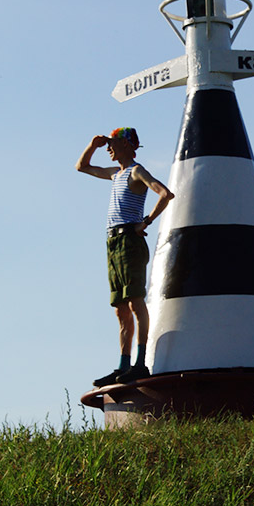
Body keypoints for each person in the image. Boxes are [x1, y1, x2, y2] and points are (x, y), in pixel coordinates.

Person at [76, 127, 174, 386]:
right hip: (113, 241)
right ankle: (123, 365)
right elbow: (82, 167)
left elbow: (165, 193)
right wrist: (93, 144)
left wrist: (147, 221)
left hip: (129, 240)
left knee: (135, 302)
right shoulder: (114, 174)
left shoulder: (136, 170)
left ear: (128, 145)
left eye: (113, 143)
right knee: (120, 309)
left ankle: (140, 363)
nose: (109, 148)